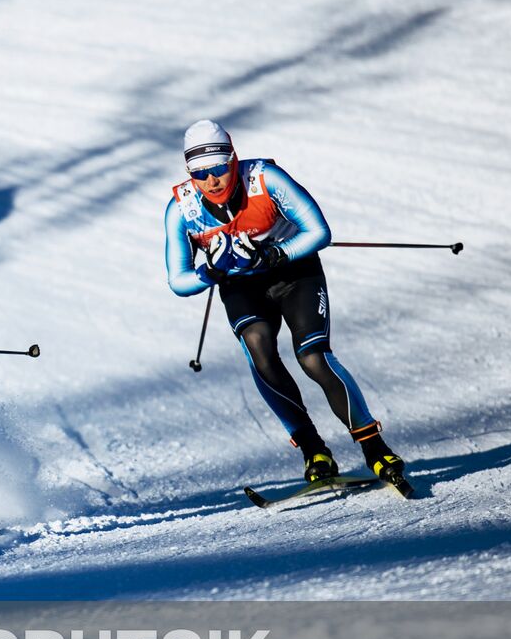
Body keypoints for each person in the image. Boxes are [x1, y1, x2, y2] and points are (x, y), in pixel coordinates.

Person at [164, 119, 410, 494]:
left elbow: (319, 232)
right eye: (201, 173)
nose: (212, 180)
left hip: (294, 273)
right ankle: (314, 451)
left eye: (219, 168)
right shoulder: (181, 209)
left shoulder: (266, 179)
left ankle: (374, 446)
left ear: (234, 159)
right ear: (189, 173)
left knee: (313, 356)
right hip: (240, 285)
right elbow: (178, 280)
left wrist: (276, 254)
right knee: (259, 351)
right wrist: (210, 270)